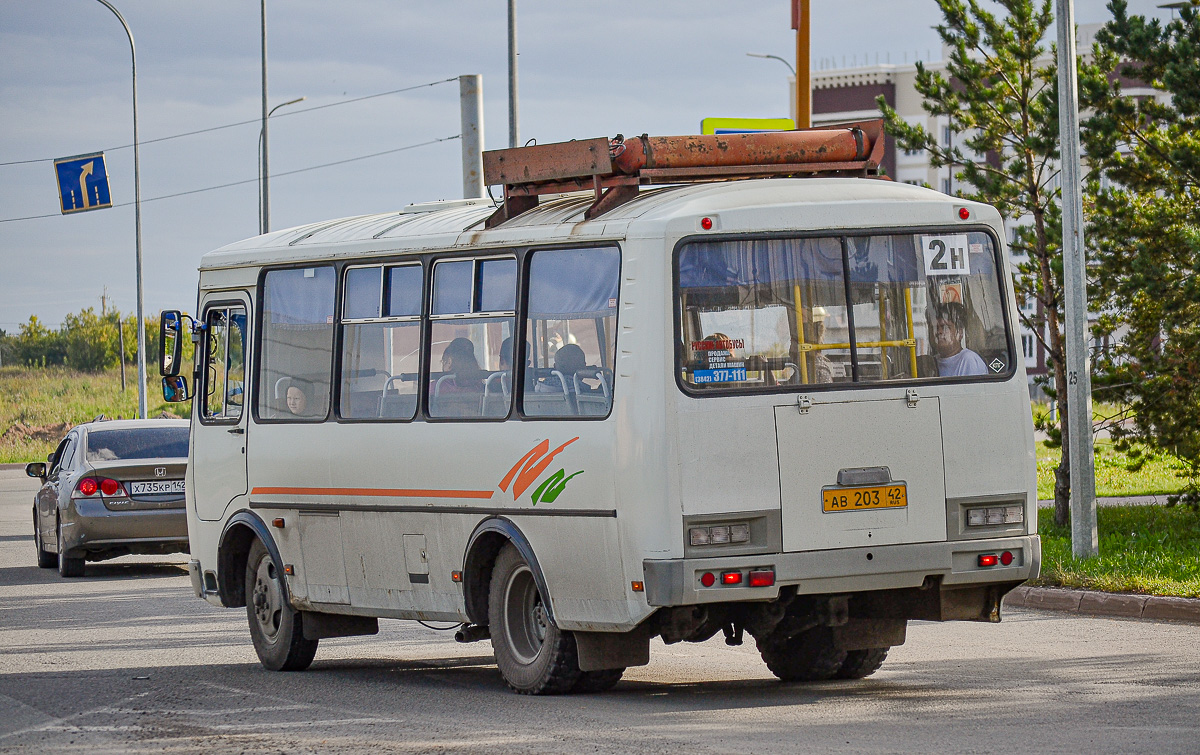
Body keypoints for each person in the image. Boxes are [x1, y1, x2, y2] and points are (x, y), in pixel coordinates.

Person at [933, 301, 988, 376]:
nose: (939, 332)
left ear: (960, 332)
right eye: (936, 328)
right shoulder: (932, 362)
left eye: (945, 328)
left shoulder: (968, 360)